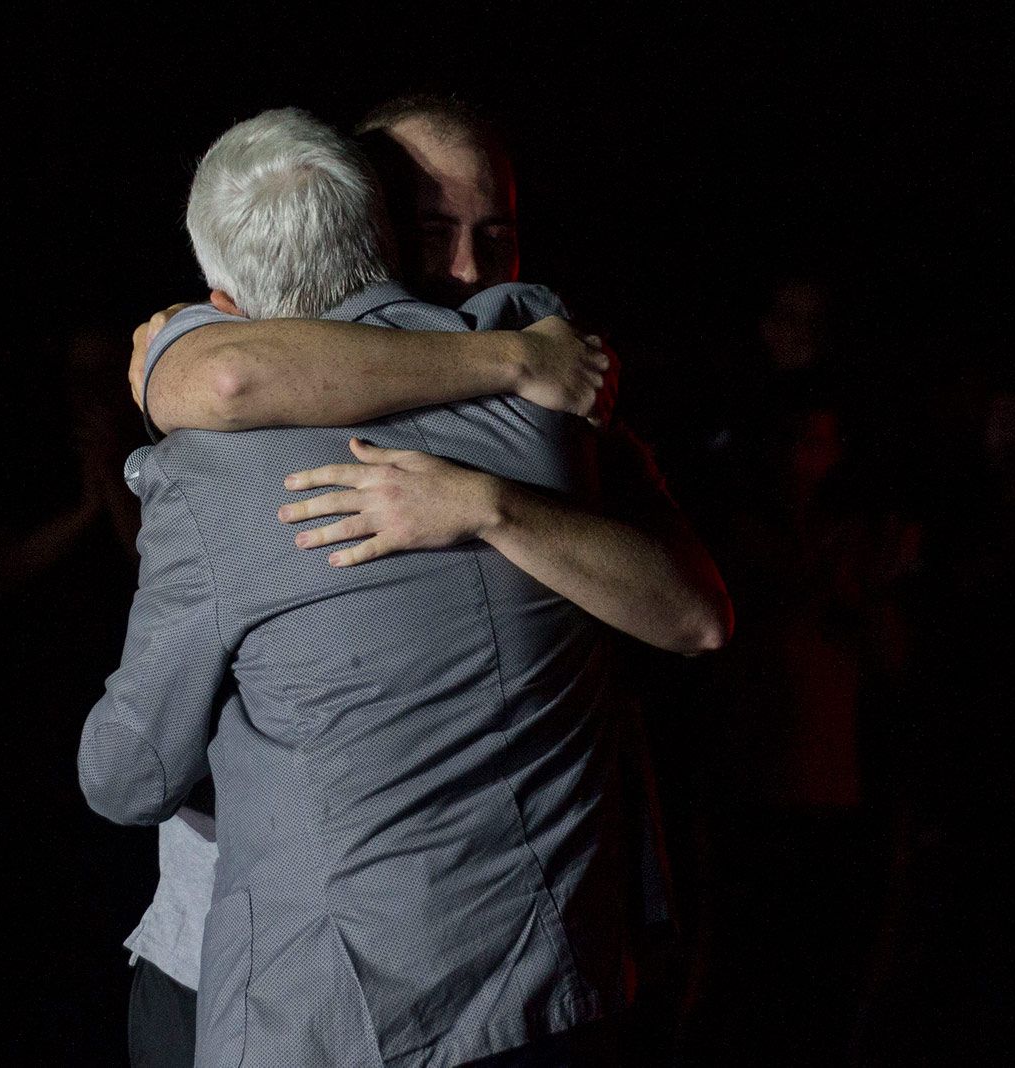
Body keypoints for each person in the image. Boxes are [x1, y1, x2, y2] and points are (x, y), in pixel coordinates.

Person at [118, 95, 729, 1066]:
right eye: (432, 232)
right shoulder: (259, 366)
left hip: (514, 960)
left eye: (497, 235)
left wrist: (489, 505)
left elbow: (694, 613)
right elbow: (212, 373)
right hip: (257, 957)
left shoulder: (547, 406)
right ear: (363, 231)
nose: (468, 270)